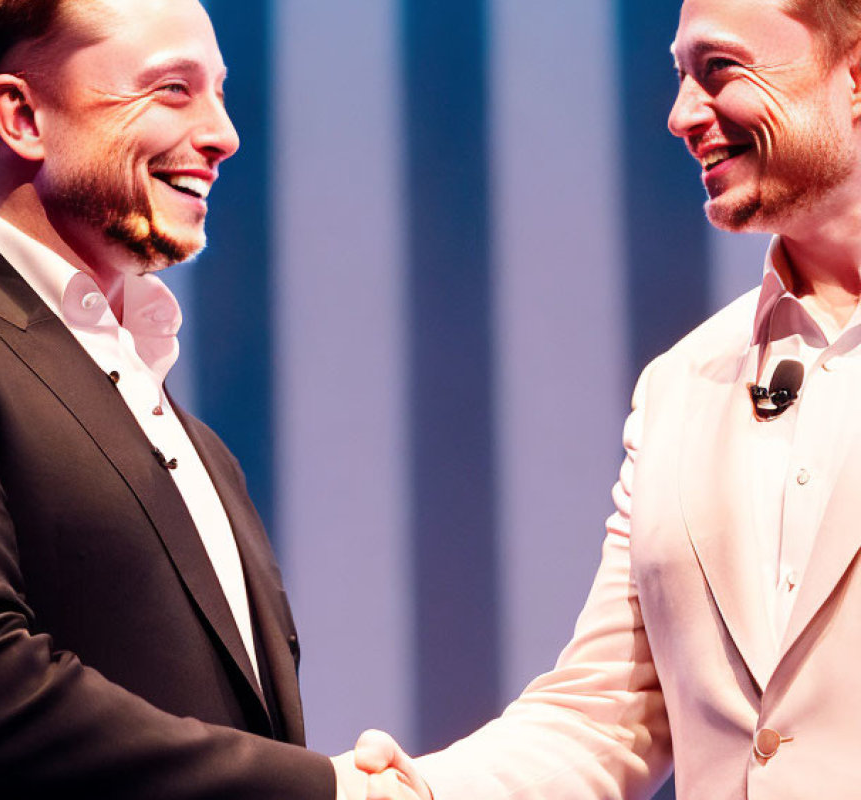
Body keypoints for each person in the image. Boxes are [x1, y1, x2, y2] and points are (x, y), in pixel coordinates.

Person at [351, 0, 861, 797]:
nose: (681, 115)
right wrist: (407, 792)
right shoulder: (681, 385)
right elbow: (610, 713)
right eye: (679, 76)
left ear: (855, 75)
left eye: (718, 68)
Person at [0, 0, 366, 797]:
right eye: (172, 88)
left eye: (221, 93)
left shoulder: (202, 449)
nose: (223, 134)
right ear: (21, 115)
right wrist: (333, 791)